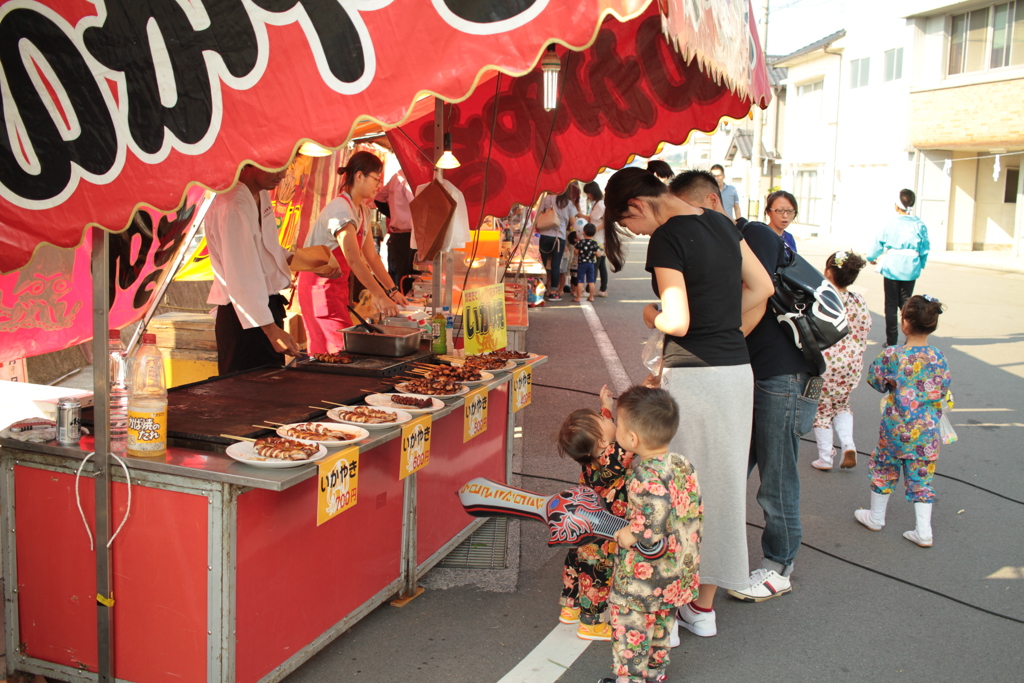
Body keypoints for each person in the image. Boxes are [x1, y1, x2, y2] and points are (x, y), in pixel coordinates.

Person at [603, 167, 773, 638]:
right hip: (737, 374)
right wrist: (724, 328)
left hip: (694, 380)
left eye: (626, 225)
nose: (634, 233)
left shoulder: (667, 237)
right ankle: (702, 610)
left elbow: (675, 320)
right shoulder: (721, 222)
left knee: (674, 496)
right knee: (719, 489)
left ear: (635, 205)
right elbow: (762, 289)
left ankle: (670, 614)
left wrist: (649, 313)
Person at [669, 170, 818, 604]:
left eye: (687, 211)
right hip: (748, 373)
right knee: (729, 469)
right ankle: (709, 553)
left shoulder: (751, 233)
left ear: (713, 203)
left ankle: (779, 565)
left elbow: (755, 294)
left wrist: (715, 332)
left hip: (781, 373)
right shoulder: (717, 242)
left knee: (777, 474)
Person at [601, 385, 701, 683]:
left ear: (632, 439)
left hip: (642, 580)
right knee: (661, 626)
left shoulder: (646, 475)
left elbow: (653, 514)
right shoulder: (681, 463)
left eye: (619, 424)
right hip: (676, 570)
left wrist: (631, 533)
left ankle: (630, 679)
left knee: (631, 631)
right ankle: (655, 673)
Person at [854, 295, 950, 547]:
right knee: (921, 478)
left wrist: (893, 383)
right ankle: (924, 531)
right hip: (927, 431)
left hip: (895, 429)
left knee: (884, 467)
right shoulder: (939, 357)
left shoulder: (893, 355)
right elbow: (942, 389)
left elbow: (875, 381)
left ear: (905, 322)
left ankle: (875, 517)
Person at [298, 152, 407, 355]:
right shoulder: (341, 211)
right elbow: (355, 261)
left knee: (339, 348)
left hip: (337, 286)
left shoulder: (363, 211)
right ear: (359, 176)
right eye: (376, 179)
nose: (379, 185)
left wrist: (392, 291)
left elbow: (372, 257)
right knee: (333, 351)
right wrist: (381, 297)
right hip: (318, 288)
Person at [205, 164, 302, 375]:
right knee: (247, 395)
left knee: (271, 386)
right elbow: (241, 275)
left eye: (286, 167)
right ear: (251, 161)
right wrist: (270, 329)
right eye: (276, 166)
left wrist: (304, 261)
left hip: (265, 309)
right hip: (244, 317)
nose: (283, 175)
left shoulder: (260, 193)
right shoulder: (232, 205)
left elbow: (266, 246)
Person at [556, 385, 634, 642]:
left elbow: (605, 433)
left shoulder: (591, 457)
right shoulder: (614, 460)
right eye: (603, 420)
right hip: (603, 531)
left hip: (582, 523)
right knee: (596, 575)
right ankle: (590, 624)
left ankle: (570, 607)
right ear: (602, 442)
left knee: (575, 565)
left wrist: (606, 407)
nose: (608, 420)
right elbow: (630, 439)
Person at [811, 251, 872, 471]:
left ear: (828, 271)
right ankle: (848, 443)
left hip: (826, 364)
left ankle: (825, 457)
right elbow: (865, 328)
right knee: (842, 405)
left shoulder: (823, 299)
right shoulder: (858, 300)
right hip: (851, 366)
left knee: (821, 410)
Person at [868, 189, 930, 346]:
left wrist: (871, 257)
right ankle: (910, 339)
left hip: (892, 267)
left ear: (897, 206)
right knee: (906, 304)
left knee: (890, 305)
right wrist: (920, 264)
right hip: (911, 268)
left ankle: (891, 341)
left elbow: (878, 242)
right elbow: (925, 247)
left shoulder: (890, 224)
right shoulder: (919, 224)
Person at [375, 168, 416, 295]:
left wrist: (393, 215)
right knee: (410, 279)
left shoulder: (396, 176)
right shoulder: (409, 177)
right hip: (410, 236)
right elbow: (416, 204)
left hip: (398, 236)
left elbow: (379, 199)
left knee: (402, 276)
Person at [537, 185, 579, 301]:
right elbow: (573, 222)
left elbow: (538, 215)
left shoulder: (547, 199)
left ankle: (539, 289)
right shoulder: (569, 203)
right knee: (556, 265)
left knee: (543, 264)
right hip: (559, 237)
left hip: (544, 235)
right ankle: (553, 292)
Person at [579, 181, 610, 297]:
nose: (587, 196)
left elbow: (606, 222)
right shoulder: (598, 204)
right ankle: (603, 289)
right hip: (599, 239)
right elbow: (593, 219)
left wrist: (593, 230)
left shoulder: (601, 205)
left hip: (598, 240)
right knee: (601, 265)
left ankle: (588, 290)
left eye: (588, 193)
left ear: (592, 192)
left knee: (594, 265)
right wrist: (581, 215)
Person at [575, 224, 600, 302]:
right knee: (591, 281)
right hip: (591, 264)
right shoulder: (594, 243)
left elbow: (575, 252)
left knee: (580, 281)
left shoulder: (581, 242)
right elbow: (599, 254)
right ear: (594, 233)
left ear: (584, 232)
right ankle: (591, 297)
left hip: (581, 263)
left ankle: (578, 297)